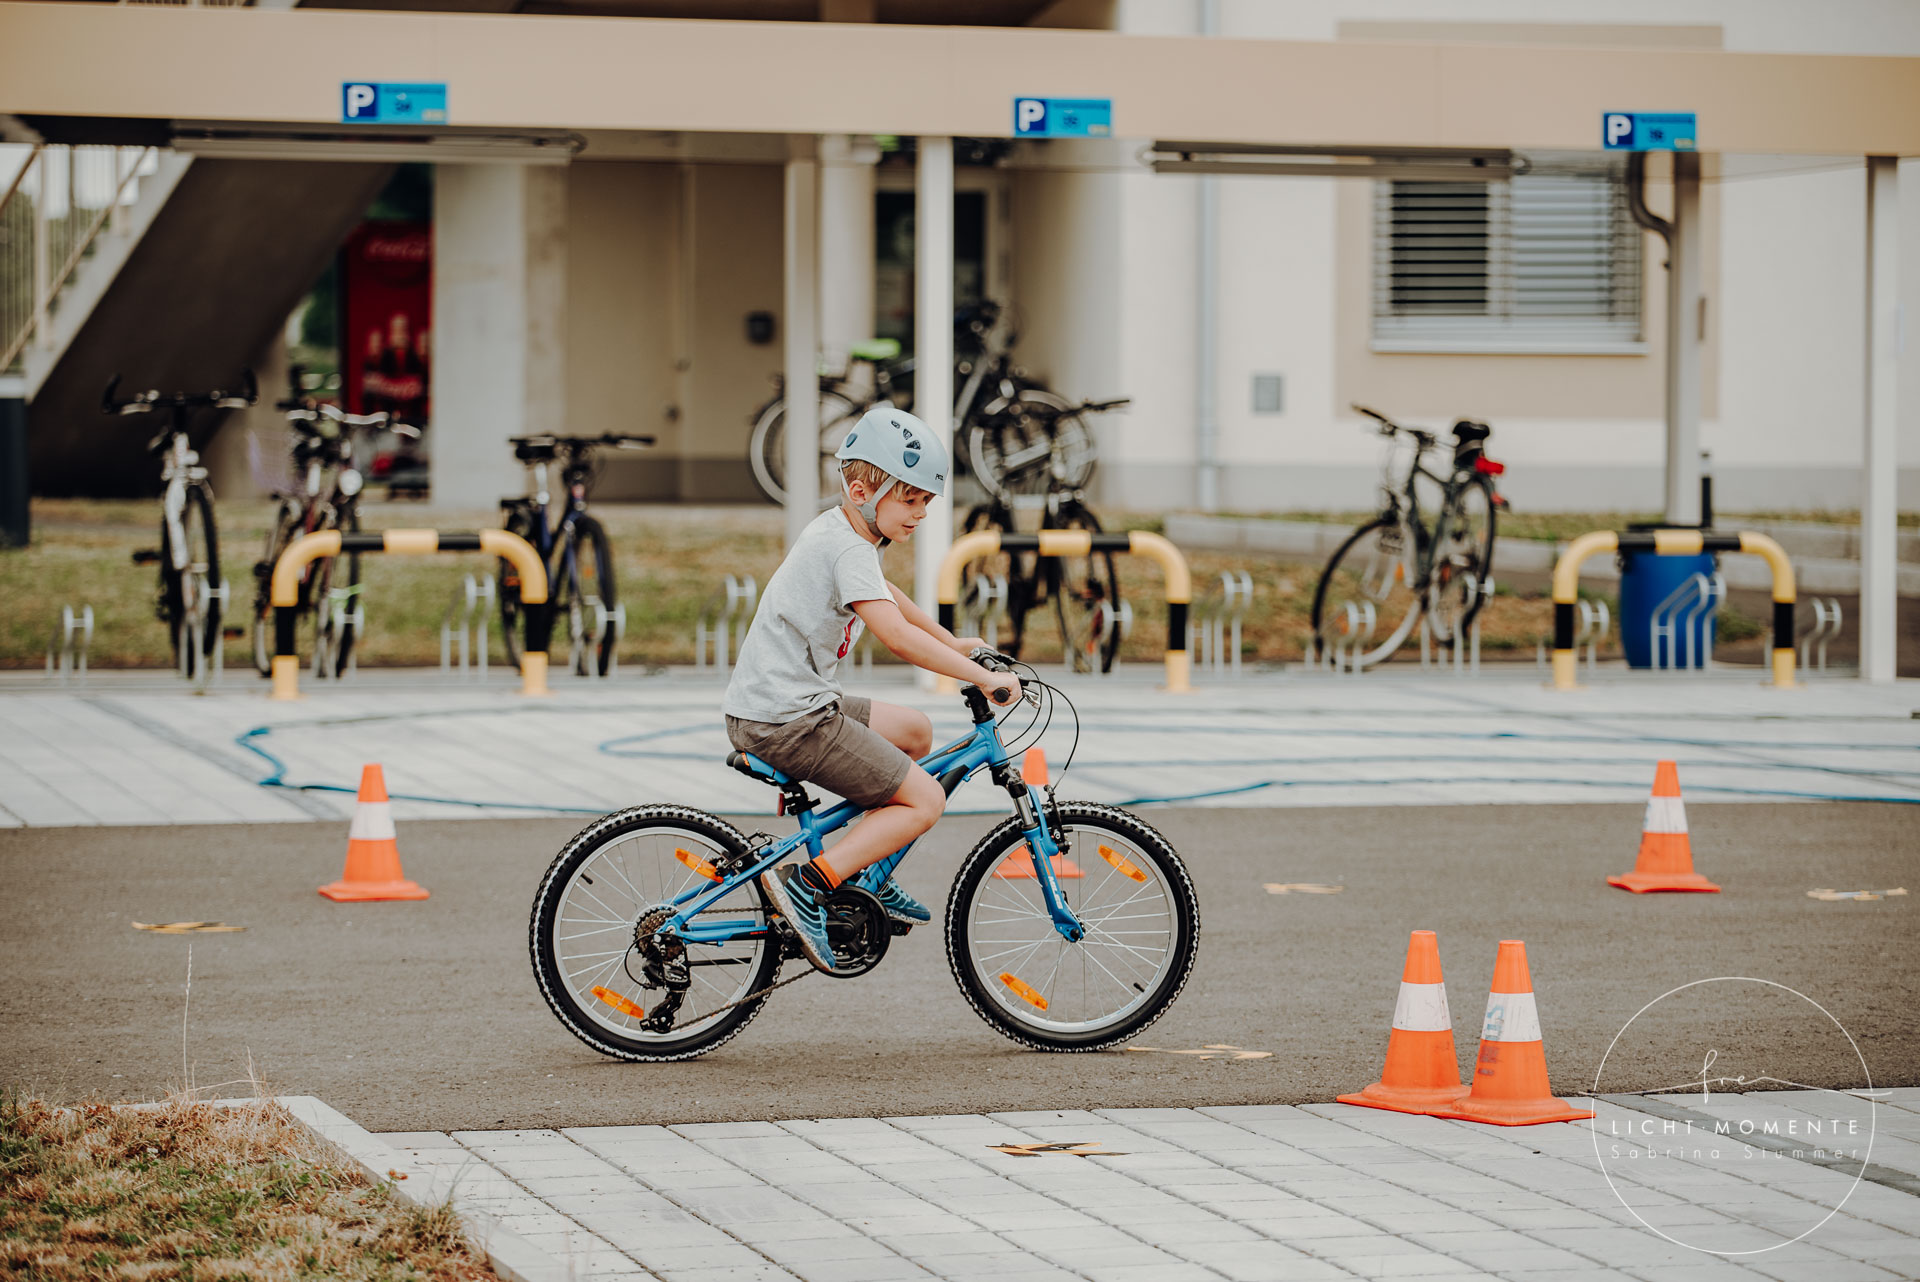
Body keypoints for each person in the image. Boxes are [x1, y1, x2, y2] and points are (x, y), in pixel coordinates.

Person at [723, 406, 1021, 972]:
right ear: (862, 492)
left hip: (787, 705)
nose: (921, 513)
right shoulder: (847, 547)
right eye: (910, 500)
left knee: (916, 732)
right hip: (786, 720)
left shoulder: (847, 534)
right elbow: (895, 636)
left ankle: (865, 873)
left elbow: (891, 599)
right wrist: (983, 679)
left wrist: (953, 644)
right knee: (926, 800)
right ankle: (810, 884)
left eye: (926, 502)